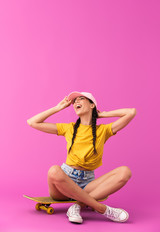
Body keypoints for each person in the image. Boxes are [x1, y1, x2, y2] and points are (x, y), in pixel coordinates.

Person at [27, 91, 136, 224]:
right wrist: (58, 108)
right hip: (63, 184)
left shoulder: (103, 130)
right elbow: (32, 122)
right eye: (74, 101)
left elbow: (131, 112)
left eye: (81, 99)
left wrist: (102, 114)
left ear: (92, 105)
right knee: (54, 170)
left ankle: (77, 206)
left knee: (125, 171)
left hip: (87, 184)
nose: (76, 102)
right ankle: (101, 209)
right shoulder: (69, 128)